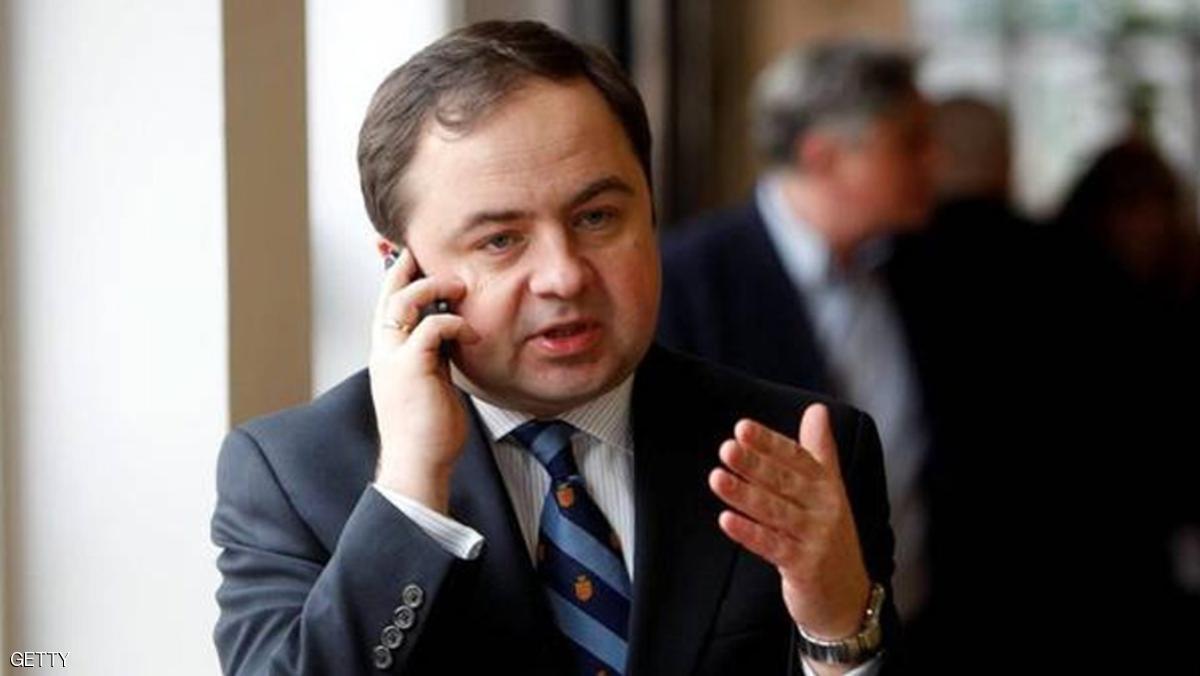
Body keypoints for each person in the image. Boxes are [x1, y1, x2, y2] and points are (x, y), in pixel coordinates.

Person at [211, 21, 899, 676]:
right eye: (500, 241)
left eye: (596, 217)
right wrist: (411, 493)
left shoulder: (802, 452)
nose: (564, 276)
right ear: (402, 268)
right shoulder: (294, 477)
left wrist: (837, 627)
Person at [657, 41, 937, 629]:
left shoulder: (924, 268)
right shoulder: (686, 282)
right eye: (909, 143)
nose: (933, 160)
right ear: (823, 156)